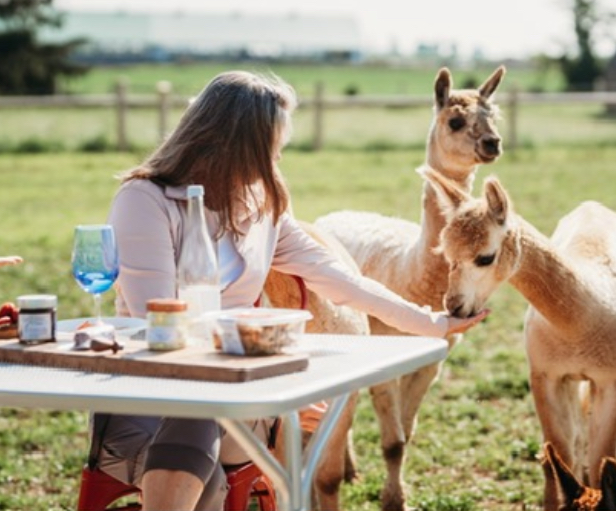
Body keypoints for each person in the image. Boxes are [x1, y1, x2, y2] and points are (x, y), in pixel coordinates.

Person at [96, 70, 489, 511]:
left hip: (242, 402)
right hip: (148, 398)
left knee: (210, 424)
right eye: (273, 150)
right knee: (201, 430)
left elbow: (340, 281)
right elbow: (162, 322)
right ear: (235, 143)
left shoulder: (263, 203)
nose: (278, 162)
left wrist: (431, 322)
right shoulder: (145, 201)